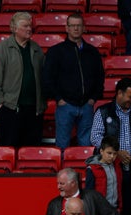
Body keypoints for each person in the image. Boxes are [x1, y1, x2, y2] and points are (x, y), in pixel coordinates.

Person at [91, 77, 131, 215]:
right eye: (130, 97)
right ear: (119, 93)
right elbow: (95, 137)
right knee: (110, 205)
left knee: (130, 206)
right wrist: (116, 153)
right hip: (109, 167)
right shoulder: (104, 111)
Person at [42, 12, 104, 149]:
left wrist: (93, 98)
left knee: (86, 146)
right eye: (72, 25)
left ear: (84, 28)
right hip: (65, 105)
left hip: (87, 105)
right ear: (67, 28)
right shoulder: (56, 51)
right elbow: (47, 78)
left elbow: (100, 77)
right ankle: (63, 171)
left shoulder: (92, 52)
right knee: (62, 145)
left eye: (79, 25)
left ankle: (86, 170)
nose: (76, 29)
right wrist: (59, 99)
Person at [0, 12, 45, 148]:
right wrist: (1, 102)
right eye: (25, 26)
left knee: (31, 153)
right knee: (8, 151)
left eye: (30, 25)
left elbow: (43, 76)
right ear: (14, 28)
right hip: (10, 109)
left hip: (34, 111)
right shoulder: (1, 49)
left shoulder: (36, 49)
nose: (29, 29)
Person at [85, 141, 123, 213]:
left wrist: (119, 207)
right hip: (99, 211)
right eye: (109, 153)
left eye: (115, 154)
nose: (112, 156)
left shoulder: (117, 166)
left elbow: (119, 188)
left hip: (115, 210)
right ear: (101, 151)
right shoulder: (92, 168)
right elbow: (89, 193)